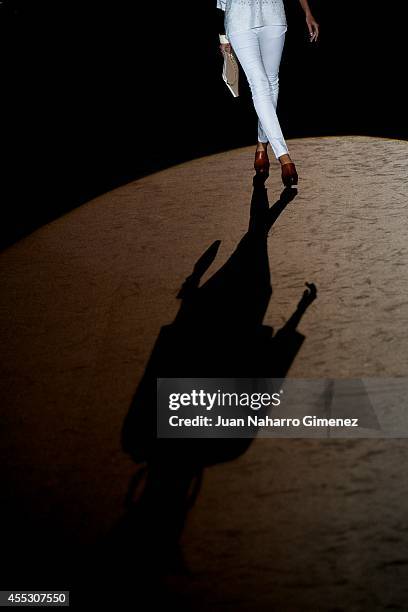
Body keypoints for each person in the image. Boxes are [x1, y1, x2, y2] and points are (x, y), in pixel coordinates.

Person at [217, 0, 319, 186]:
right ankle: (284, 157)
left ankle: (262, 145)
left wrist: (307, 12)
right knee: (260, 84)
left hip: (273, 16)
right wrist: (223, 37)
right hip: (239, 20)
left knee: (271, 82)